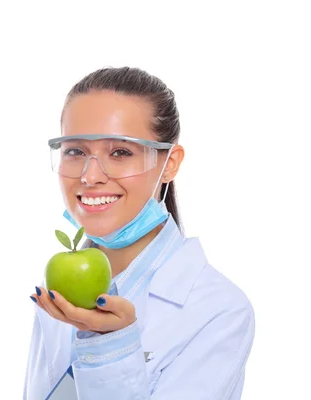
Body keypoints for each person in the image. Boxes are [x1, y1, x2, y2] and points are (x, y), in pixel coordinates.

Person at [24, 67, 255, 399]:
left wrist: (111, 346)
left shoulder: (219, 310)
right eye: (75, 151)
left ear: (170, 163)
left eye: (120, 152)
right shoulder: (57, 290)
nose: (90, 177)